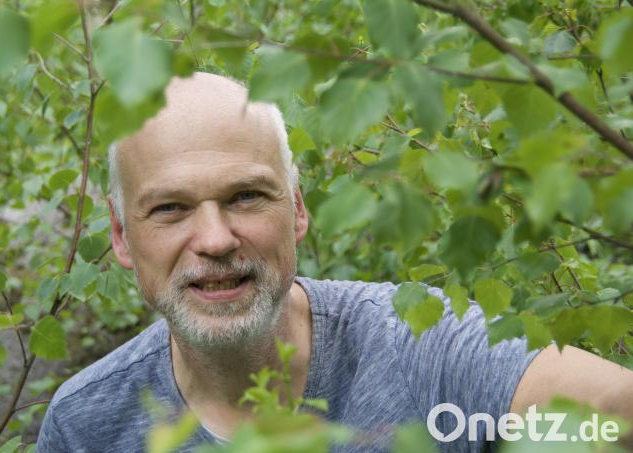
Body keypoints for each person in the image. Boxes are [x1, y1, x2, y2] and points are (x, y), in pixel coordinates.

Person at [36, 72, 633, 452]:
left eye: (246, 196)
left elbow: (615, 417)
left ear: (296, 208)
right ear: (119, 235)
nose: (215, 239)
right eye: (170, 208)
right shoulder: (88, 426)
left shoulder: (416, 351)